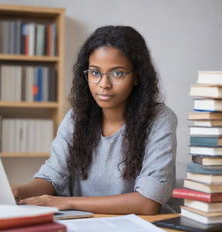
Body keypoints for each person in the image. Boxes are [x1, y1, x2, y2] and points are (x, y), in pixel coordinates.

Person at [12, 25, 177, 215]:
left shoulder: (159, 119)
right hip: (86, 226)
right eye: (95, 72)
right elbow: (51, 177)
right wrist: (17, 192)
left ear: (137, 76)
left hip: (143, 230)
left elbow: (147, 203)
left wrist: (68, 203)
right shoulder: (76, 117)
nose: (104, 84)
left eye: (118, 73)